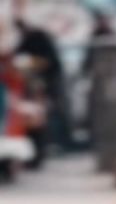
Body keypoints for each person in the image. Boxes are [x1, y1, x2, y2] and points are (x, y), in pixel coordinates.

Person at [14, 17, 72, 155]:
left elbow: (47, 62)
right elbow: (18, 53)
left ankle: (60, 143)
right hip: (46, 81)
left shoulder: (36, 37)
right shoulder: (33, 37)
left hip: (51, 80)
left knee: (53, 113)